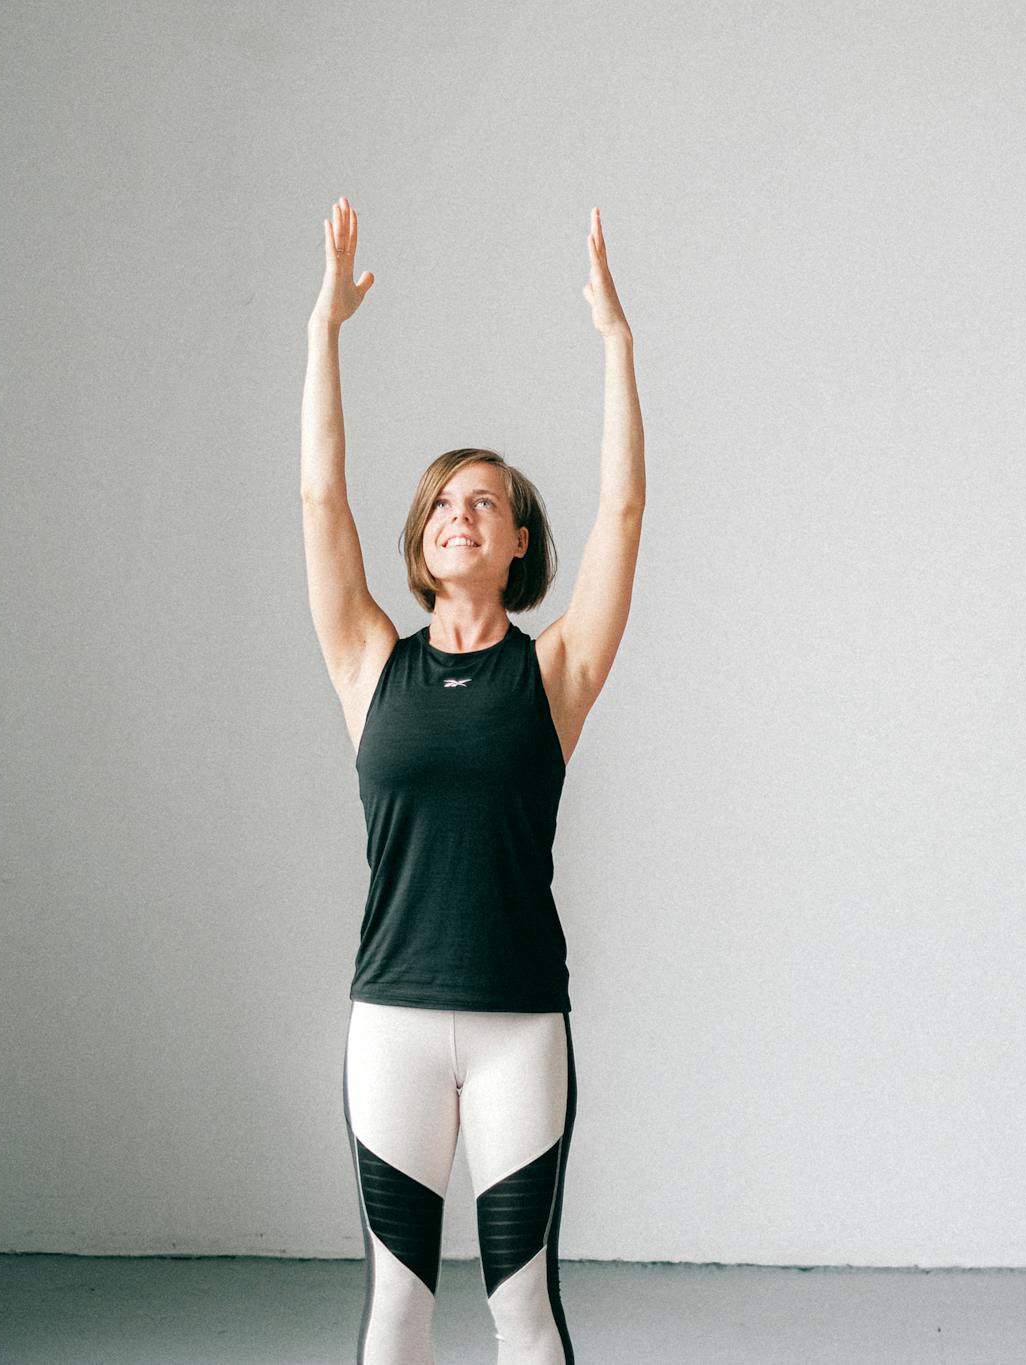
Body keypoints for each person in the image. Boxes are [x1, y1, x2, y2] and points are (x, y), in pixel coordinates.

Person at [300, 195, 644, 1365]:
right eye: (444, 500)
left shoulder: (553, 673)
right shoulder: (366, 663)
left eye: (485, 501)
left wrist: (615, 343)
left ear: (516, 545)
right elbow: (317, 500)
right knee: (397, 1307)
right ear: (422, 537)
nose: (461, 514)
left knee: (519, 1309)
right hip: (389, 1018)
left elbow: (626, 511)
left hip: (516, 1024)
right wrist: (324, 332)